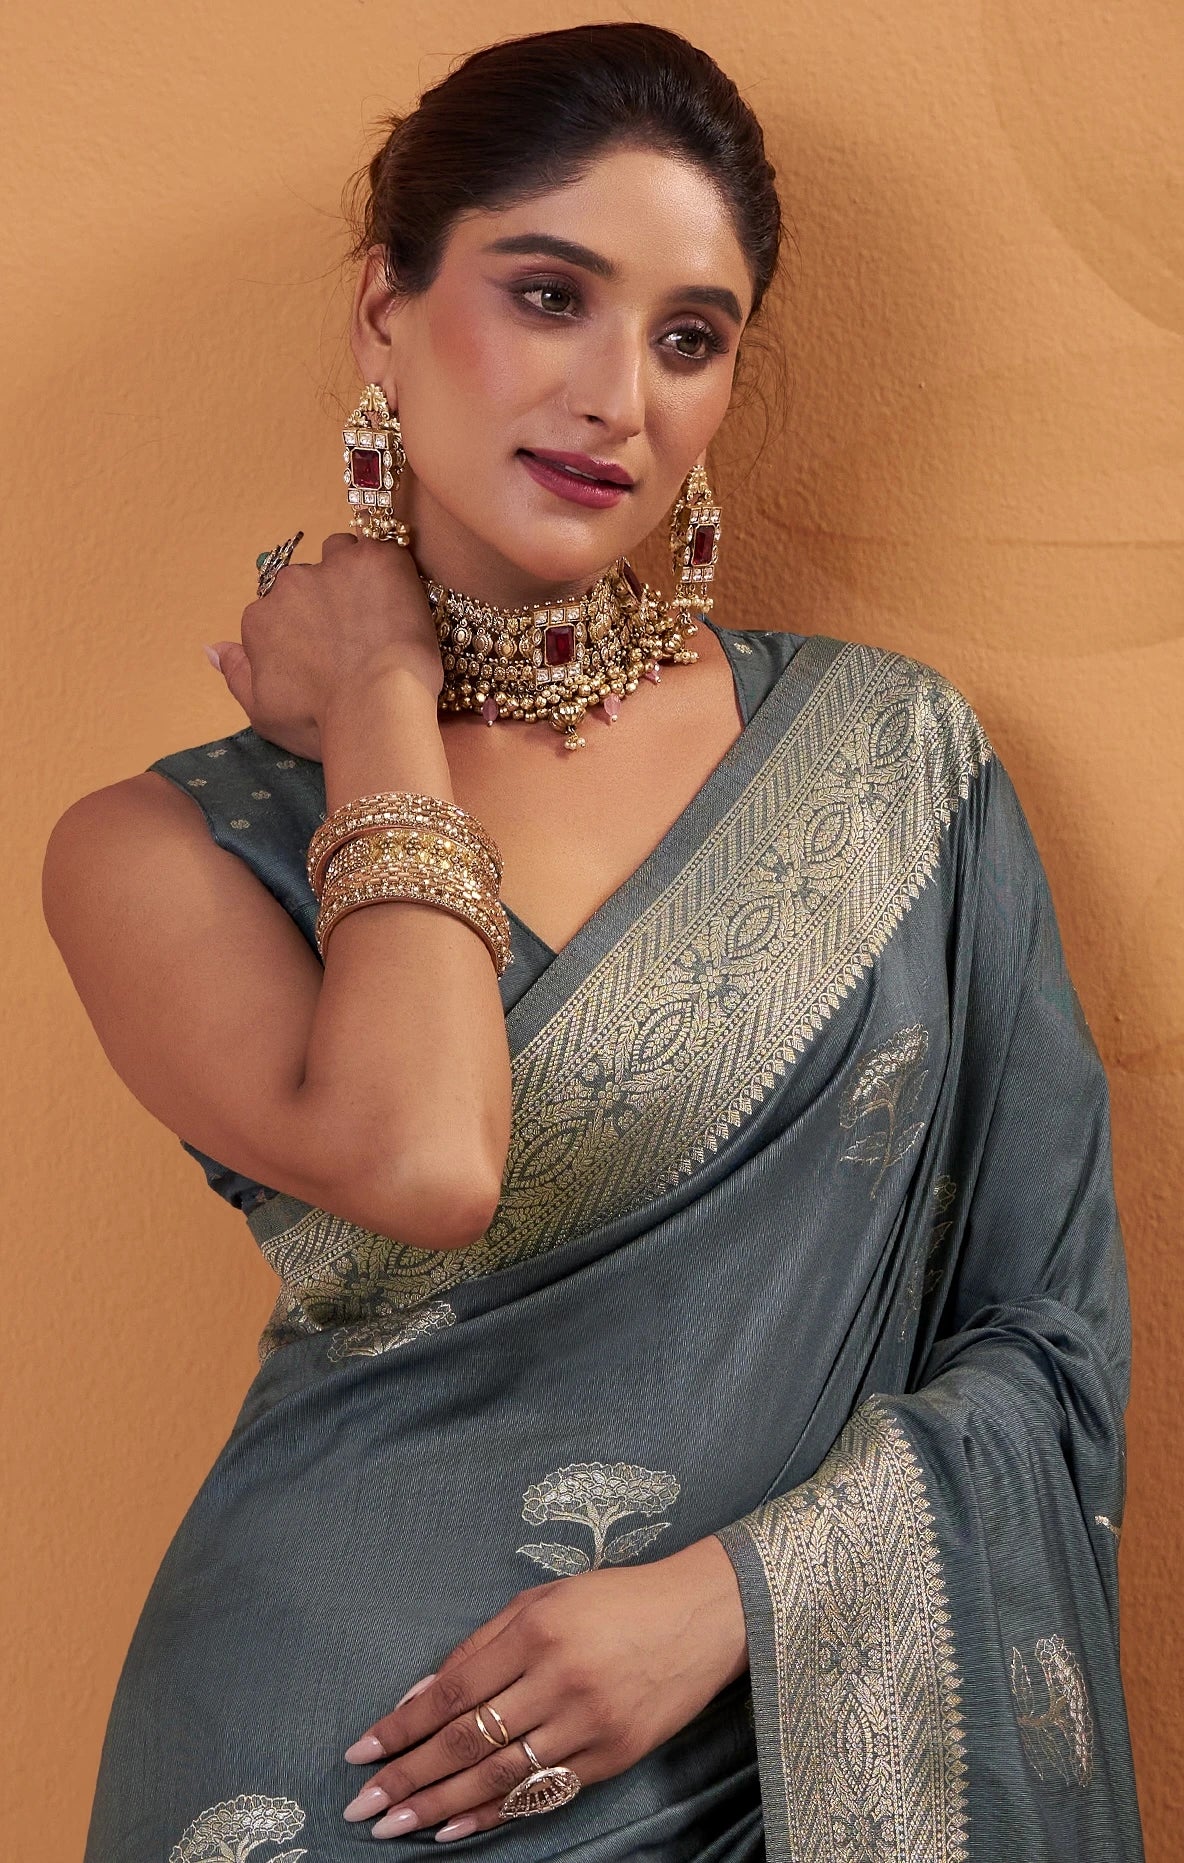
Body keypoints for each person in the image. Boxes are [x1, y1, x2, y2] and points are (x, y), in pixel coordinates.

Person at [42, 22, 1143, 1862]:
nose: (618, 394)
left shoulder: (889, 763)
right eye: (549, 293)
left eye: (689, 336)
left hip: (772, 1742)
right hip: (336, 1772)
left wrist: (733, 1602)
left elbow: (1044, 1335)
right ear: (383, 311)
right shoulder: (161, 848)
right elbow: (424, 1156)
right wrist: (387, 696)